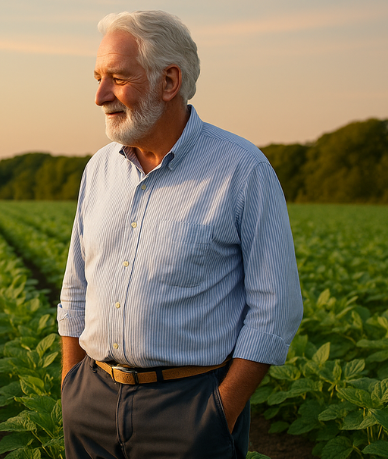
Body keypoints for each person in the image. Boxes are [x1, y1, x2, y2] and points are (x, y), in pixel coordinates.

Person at [57, 10, 303, 459]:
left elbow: (276, 309)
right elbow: (75, 290)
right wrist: (71, 388)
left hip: (189, 407)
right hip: (91, 402)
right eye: (97, 77)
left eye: (117, 77)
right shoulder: (99, 170)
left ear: (169, 81)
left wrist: (219, 411)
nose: (99, 95)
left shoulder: (242, 169)